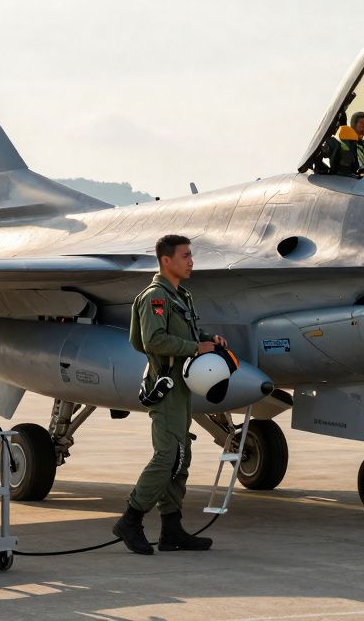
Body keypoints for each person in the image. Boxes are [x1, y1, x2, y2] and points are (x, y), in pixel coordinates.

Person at [113, 234, 227, 555]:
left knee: (181, 457)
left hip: (182, 385)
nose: (191, 261)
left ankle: (171, 529)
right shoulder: (155, 298)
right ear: (166, 261)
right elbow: (152, 341)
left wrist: (208, 339)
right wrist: (194, 347)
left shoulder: (181, 296)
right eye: (185, 256)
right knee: (167, 457)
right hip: (165, 385)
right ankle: (131, 520)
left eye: (191, 255)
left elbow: (186, 332)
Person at [322, 111, 364, 177]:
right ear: (354, 124)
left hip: (362, 181)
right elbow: (324, 150)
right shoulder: (339, 141)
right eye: (363, 123)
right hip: (342, 179)